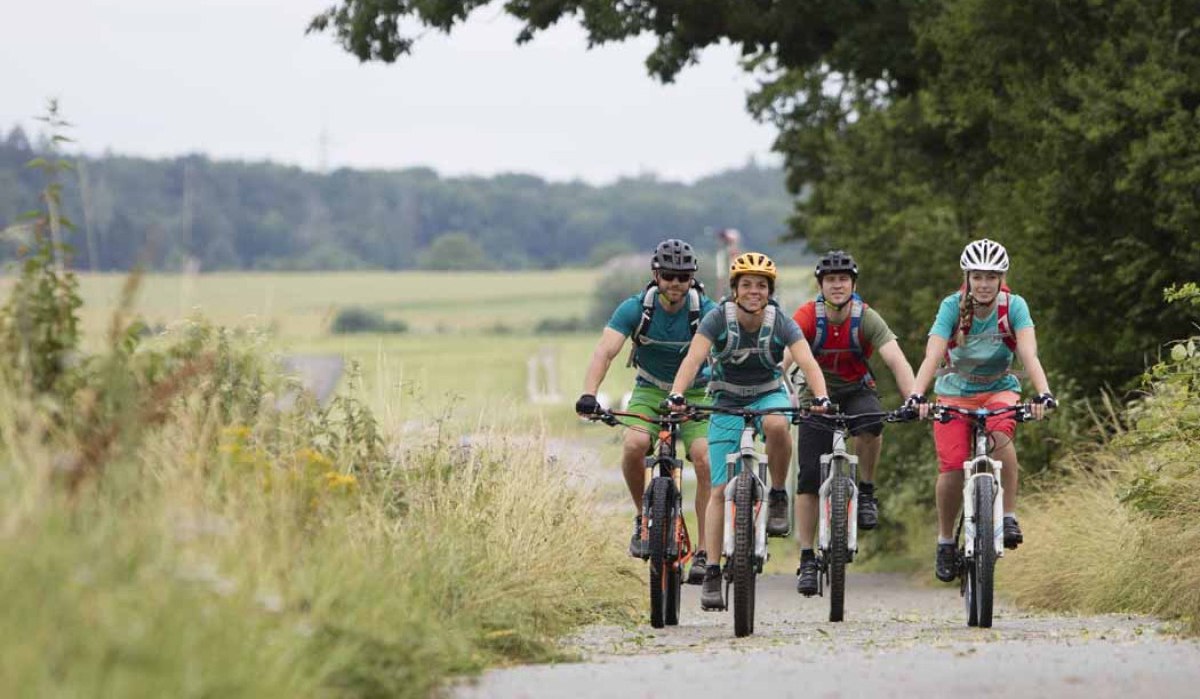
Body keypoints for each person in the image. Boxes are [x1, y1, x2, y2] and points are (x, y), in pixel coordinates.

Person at [667, 251, 830, 610]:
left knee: (777, 424)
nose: (754, 291)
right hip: (725, 399)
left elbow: (808, 362)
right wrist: (677, 394)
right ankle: (711, 569)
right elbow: (693, 359)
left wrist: (821, 398)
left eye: (761, 285)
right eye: (746, 285)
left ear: (769, 290)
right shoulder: (716, 319)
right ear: (734, 289)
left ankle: (776, 493)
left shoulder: (781, 322)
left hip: (768, 395)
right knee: (719, 488)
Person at [909, 238, 1056, 583]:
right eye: (978, 276)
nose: (985, 284)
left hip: (998, 390)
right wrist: (916, 396)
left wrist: (1044, 394)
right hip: (954, 394)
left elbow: (1029, 354)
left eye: (992, 276)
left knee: (1001, 435)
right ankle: (946, 541)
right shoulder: (951, 307)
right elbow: (932, 355)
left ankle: (1008, 516)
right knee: (951, 467)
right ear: (967, 277)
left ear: (1002, 278)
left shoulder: (1014, 306)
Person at [576, 238, 718, 584]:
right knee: (633, 446)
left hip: (696, 393)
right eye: (668, 275)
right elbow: (604, 352)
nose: (675, 283)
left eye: (682, 277)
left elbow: (727, 351)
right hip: (650, 389)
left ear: (691, 279)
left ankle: (703, 550)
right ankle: (643, 518)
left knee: (704, 459)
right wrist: (588, 394)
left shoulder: (707, 310)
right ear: (656, 274)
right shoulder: (636, 309)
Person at [786, 250, 918, 596]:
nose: (837, 285)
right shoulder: (806, 317)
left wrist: (914, 398)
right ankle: (807, 558)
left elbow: (896, 359)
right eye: (831, 280)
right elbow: (782, 361)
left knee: (873, 422)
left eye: (843, 279)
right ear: (821, 285)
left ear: (853, 284)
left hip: (857, 389)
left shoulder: (866, 318)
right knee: (809, 478)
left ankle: (868, 490)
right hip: (815, 396)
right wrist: (780, 397)